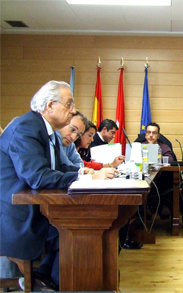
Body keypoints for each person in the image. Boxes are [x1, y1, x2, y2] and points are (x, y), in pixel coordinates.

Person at [0, 81, 117, 290]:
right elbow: (37, 176)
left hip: (36, 205)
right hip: (17, 213)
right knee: (77, 229)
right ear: (50, 105)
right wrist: (88, 179)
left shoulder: (44, 129)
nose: (73, 110)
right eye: (69, 104)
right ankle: (63, 283)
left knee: (84, 224)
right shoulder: (27, 127)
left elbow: (59, 167)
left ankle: (53, 279)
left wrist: (83, 171)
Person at [135, 122, 176, 219]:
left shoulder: (164, 146)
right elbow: (133, 159)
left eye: (154, 133)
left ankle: (164, 206)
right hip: (143, 177)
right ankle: (145, 208)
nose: (151, 135)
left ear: (158, 135)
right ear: (145, 135)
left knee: (169, 177)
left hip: (161, 178)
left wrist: (156, 155)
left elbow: (170, 159)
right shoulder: (139, 146)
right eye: (148, 132)